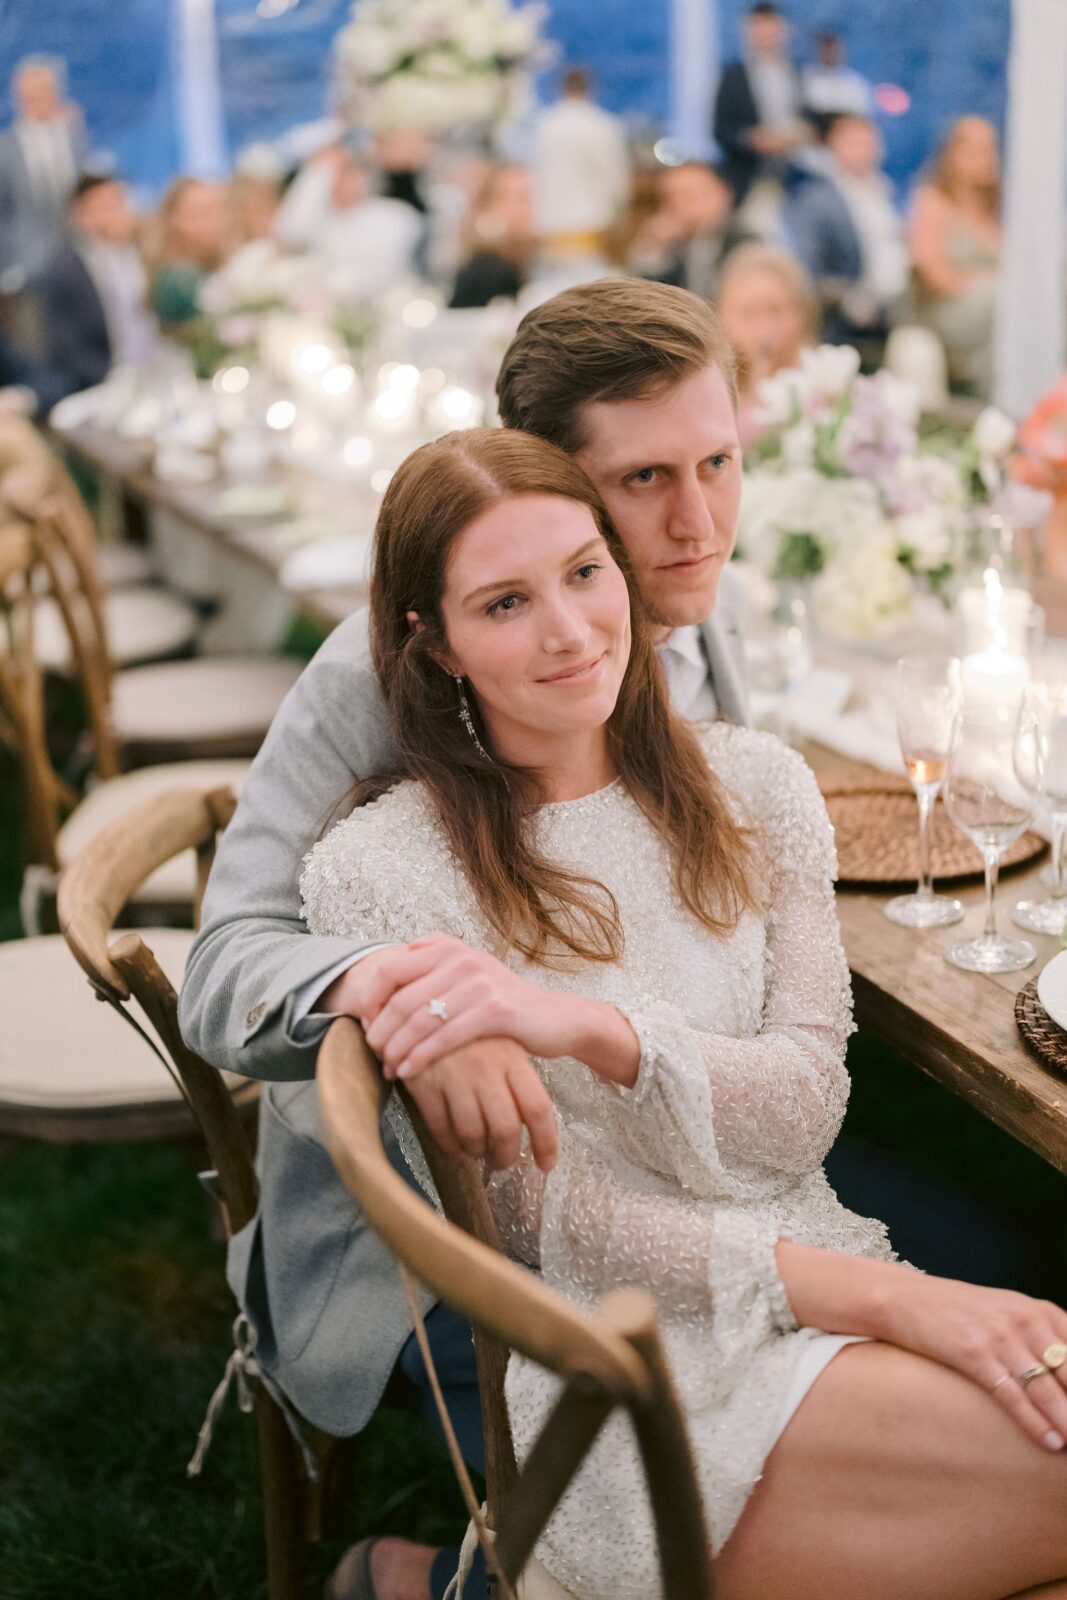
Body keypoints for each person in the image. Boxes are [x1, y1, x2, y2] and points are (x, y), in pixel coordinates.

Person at [311, 422, 1067, 1600]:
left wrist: (580, 1024)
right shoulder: (388, 873)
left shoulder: (758, 784)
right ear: (435, 640)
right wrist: (903, 1299)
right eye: (503, 603)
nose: (568, 630)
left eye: (581, 571)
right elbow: (545, 1225)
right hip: (626, 1383)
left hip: (815, 1277)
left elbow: (801, 1115)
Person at [782, 113, 908, 346]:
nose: (863, 151)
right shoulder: (815, 200)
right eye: (853, 143)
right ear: (833, 147)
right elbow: (807, 270)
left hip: (903, 302)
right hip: (852, 311)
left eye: (868, 143)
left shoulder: (888, 195)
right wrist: (850, 298)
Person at [32, 174, 159, 401]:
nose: (116, 214)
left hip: (156, 372)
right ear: (80, 216)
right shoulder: (64, 273)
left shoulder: (143, 254)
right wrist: (115, 380)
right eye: (103, 207)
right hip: (103, 383)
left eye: (118, 203)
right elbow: (67, 353)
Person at [906, 115, 1002, 398]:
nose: (988, 158)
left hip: (992, 305)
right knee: (999, 310)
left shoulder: (993, 214)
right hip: (946, 311)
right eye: (978, 149)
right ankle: (998, 402)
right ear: (952, 153)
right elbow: (932, 272)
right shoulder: (932, 201)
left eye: (992, 148)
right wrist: (985, 285)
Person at [273, 142, 423, 298]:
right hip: (332, 305)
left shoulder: (396, 216)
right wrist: (315, 173)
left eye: (347, 175)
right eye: (331, 177)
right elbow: (289, 232)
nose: (338, 183)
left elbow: (381, 272)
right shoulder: (323, 220)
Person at [712, 2, 813, 210]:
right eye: (758, 26)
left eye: (771, 25)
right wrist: (753, 139)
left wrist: (803, 133)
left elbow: (810, 118)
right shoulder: (733, 76)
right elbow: (720, 130)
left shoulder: (799, 74)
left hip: (793, 176)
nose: (765, 32)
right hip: (747, 177)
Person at [0, 55, 87, 292]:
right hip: (28, 266)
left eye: (45, 89)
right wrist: (8, 264)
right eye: (31, 91)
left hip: (77, 259)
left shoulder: (73, 138)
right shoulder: (7, 148)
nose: (38, 97)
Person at [715, 243, 817, 440]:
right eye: (749, 313)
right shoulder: (713, 392)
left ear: (800, 313)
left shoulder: (822, 391)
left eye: (774, 311)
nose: (764, 329)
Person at [531, 67, 631, 265]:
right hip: (589, 225)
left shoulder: (543, 126)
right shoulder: (603, 126)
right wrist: (620, 217)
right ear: (590, 88)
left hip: (547, 226)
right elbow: (615, 180)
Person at [628, 161, 751, 300]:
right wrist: (652, 244)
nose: (680, 206)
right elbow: (646, 297)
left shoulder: (747, 245)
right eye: (671, 198)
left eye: (690, 195)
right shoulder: (675, 248)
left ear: (724, 193)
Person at [448, 164, 533, 309]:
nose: (531, 206)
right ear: (490, 205)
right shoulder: (486, 269)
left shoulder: (542, 259)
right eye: (522, 198)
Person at [149, 176, 227, 329]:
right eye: (202, 212)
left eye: (217, 210)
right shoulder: (178, 281)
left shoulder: (203, 269)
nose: (215, 221)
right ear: (173, 220)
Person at [800, 30, 874, 133]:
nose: (830, 54)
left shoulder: (856, 82)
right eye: (826, 49)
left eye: (834, 49)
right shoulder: (805, 77)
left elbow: (864, 116)